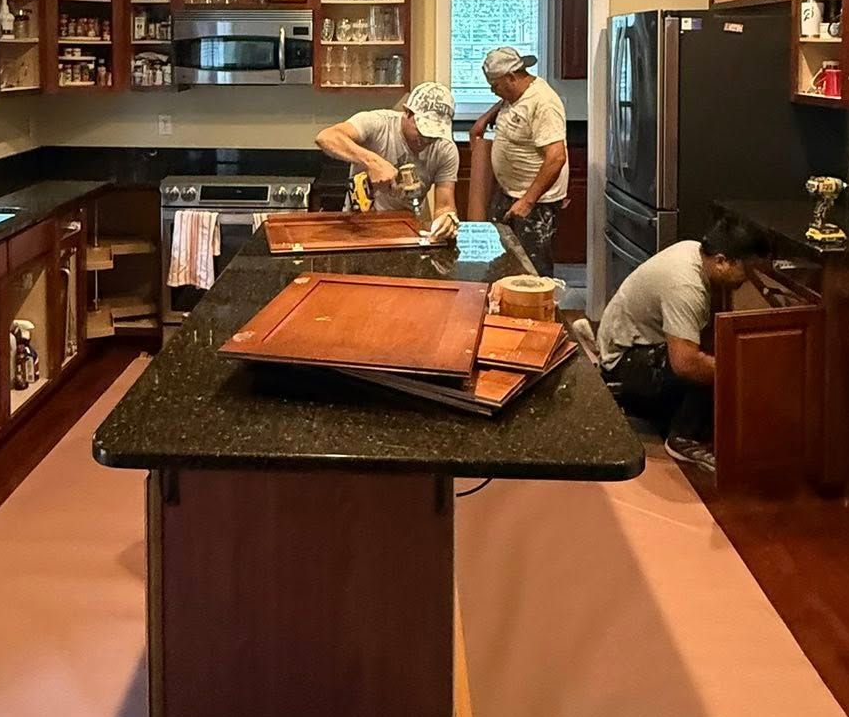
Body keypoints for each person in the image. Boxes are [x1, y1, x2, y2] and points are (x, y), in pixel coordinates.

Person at [585, 216, 772, 473]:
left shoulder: (693, 251)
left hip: (630, 344)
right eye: (746, 270)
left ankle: (656, 409)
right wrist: (742, 375)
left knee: (713, 355)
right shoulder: (686, 286)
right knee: (709, 363)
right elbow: (685, 364)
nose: (747, 280)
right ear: (721, 261)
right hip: (622, 361)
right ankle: (685, 437)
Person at [315, 82, 460, 235]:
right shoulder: (377, 123)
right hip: (360, 225)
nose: (425, 140)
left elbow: (444, 206)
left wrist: (447, 220)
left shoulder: (445, 149)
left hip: (409, 228)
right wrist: (373, 162)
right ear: (407, 113)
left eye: (433, 136)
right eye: (422, 131)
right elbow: (326, 137)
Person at [470, 46, 567, 275]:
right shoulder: (515, 94)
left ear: (511, 77)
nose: (494, 92)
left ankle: (535, 310)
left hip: (534, 202)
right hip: (508, 193)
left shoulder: (544, 103)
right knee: (500, 259)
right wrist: (486, 117)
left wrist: (527, 201)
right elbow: (511, 104)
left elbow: (556, 157)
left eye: (495, 86)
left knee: (533, 270)